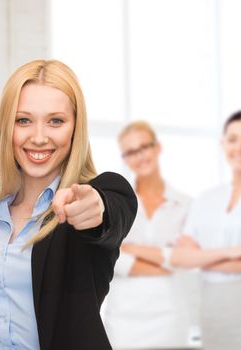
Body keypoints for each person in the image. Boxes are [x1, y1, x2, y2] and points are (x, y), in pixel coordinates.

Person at [0, 59, 138, 350]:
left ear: (74, 129)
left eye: (56, 121)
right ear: (8, 127)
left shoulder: (89, 202)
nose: (39, 137)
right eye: (23, 120)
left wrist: (96, 207)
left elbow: (112, 210)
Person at [171, 110, 241, 350]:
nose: (240, 148)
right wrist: (235, 253)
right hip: (210, 304)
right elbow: (180, 257)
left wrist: (199, 258)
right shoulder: (205, 199)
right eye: (232, 139)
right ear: (223, 144)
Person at [101, 121, 193, 349]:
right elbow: (111, 256)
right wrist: (165, 261)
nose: (139, 156)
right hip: (123, 317)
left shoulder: (186, 204)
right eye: (131, 152)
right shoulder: (116, 204)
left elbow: (189, 259)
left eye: (144, 147)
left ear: (157, 148)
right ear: (124, 159)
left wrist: (131, 249)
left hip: (169, 314)